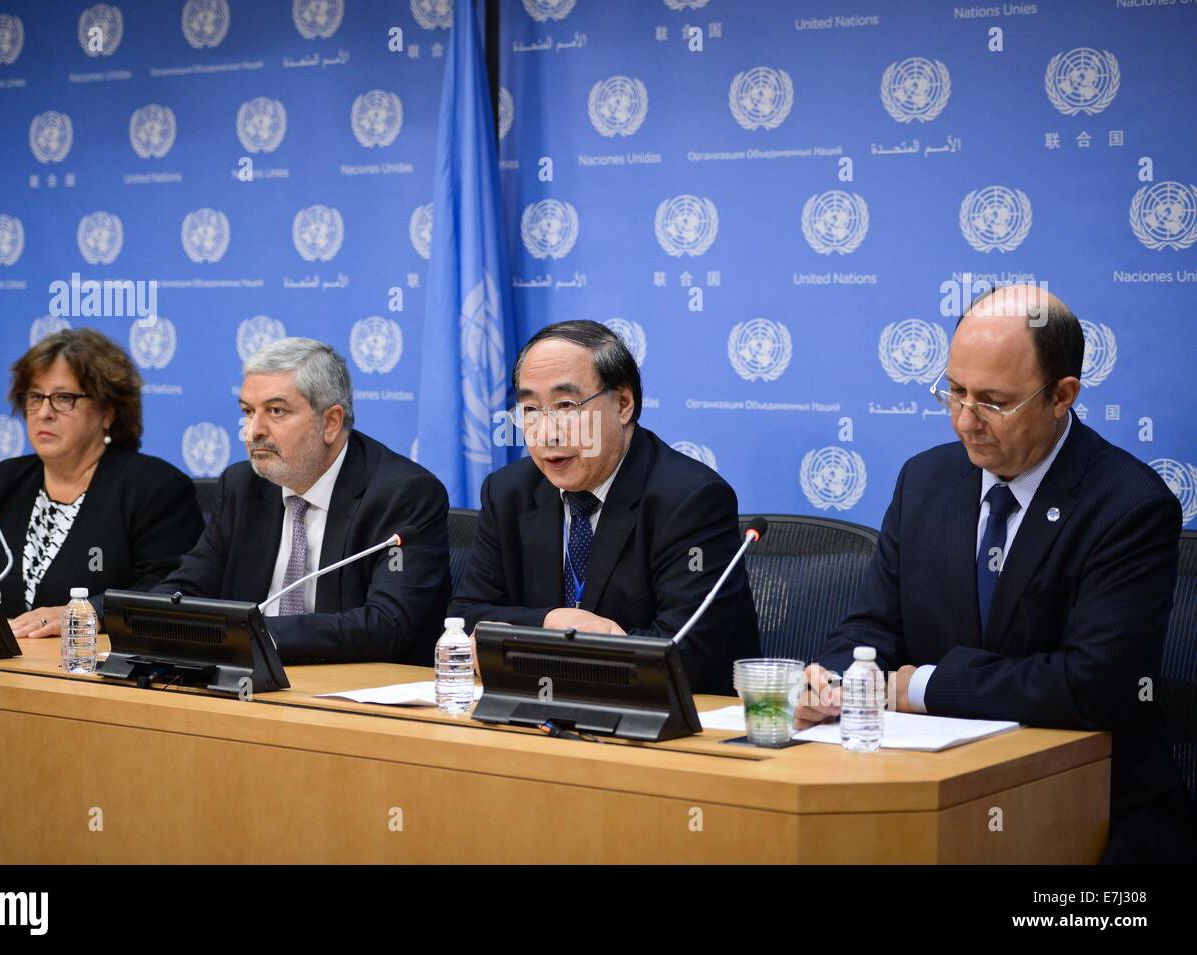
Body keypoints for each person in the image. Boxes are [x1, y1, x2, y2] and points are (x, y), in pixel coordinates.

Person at [795, 285, 1197, 864]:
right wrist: (835, 680)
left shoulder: (1128, 505)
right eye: (954, 392)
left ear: (1062, 396)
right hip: (931, 790)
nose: (965, 421)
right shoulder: (925, 482)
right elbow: (870, 629)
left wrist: (924, 687)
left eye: (993, 401)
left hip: (1092, 807)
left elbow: (1093, 683)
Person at [448, 320, 758, 694]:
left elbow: (683, 652)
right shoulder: (508, 492)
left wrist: (528, 649)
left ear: (623, 403)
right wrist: (551, 622)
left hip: (670, 728)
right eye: (530, 409)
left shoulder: (690, 500)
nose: (547, 433)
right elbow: (463, 620)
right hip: (540, 711)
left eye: (565, 405)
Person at [151, 337, 450, 665]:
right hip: (247, 686)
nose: (253, 432)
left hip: (351, 695)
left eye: (276, 411)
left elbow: (387, 626)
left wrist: (253, 634)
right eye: (248, 412)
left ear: (331, 422)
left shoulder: (403, 494)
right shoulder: (241, 486)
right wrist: (151, 618)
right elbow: (189, 585)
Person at [0, 327, 203, 637]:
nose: (44, 413)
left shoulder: (155, 489)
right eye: (35, 397)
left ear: (108, 411)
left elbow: (169, 594)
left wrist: (90, 612)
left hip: (90, 672)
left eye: (64, 398)